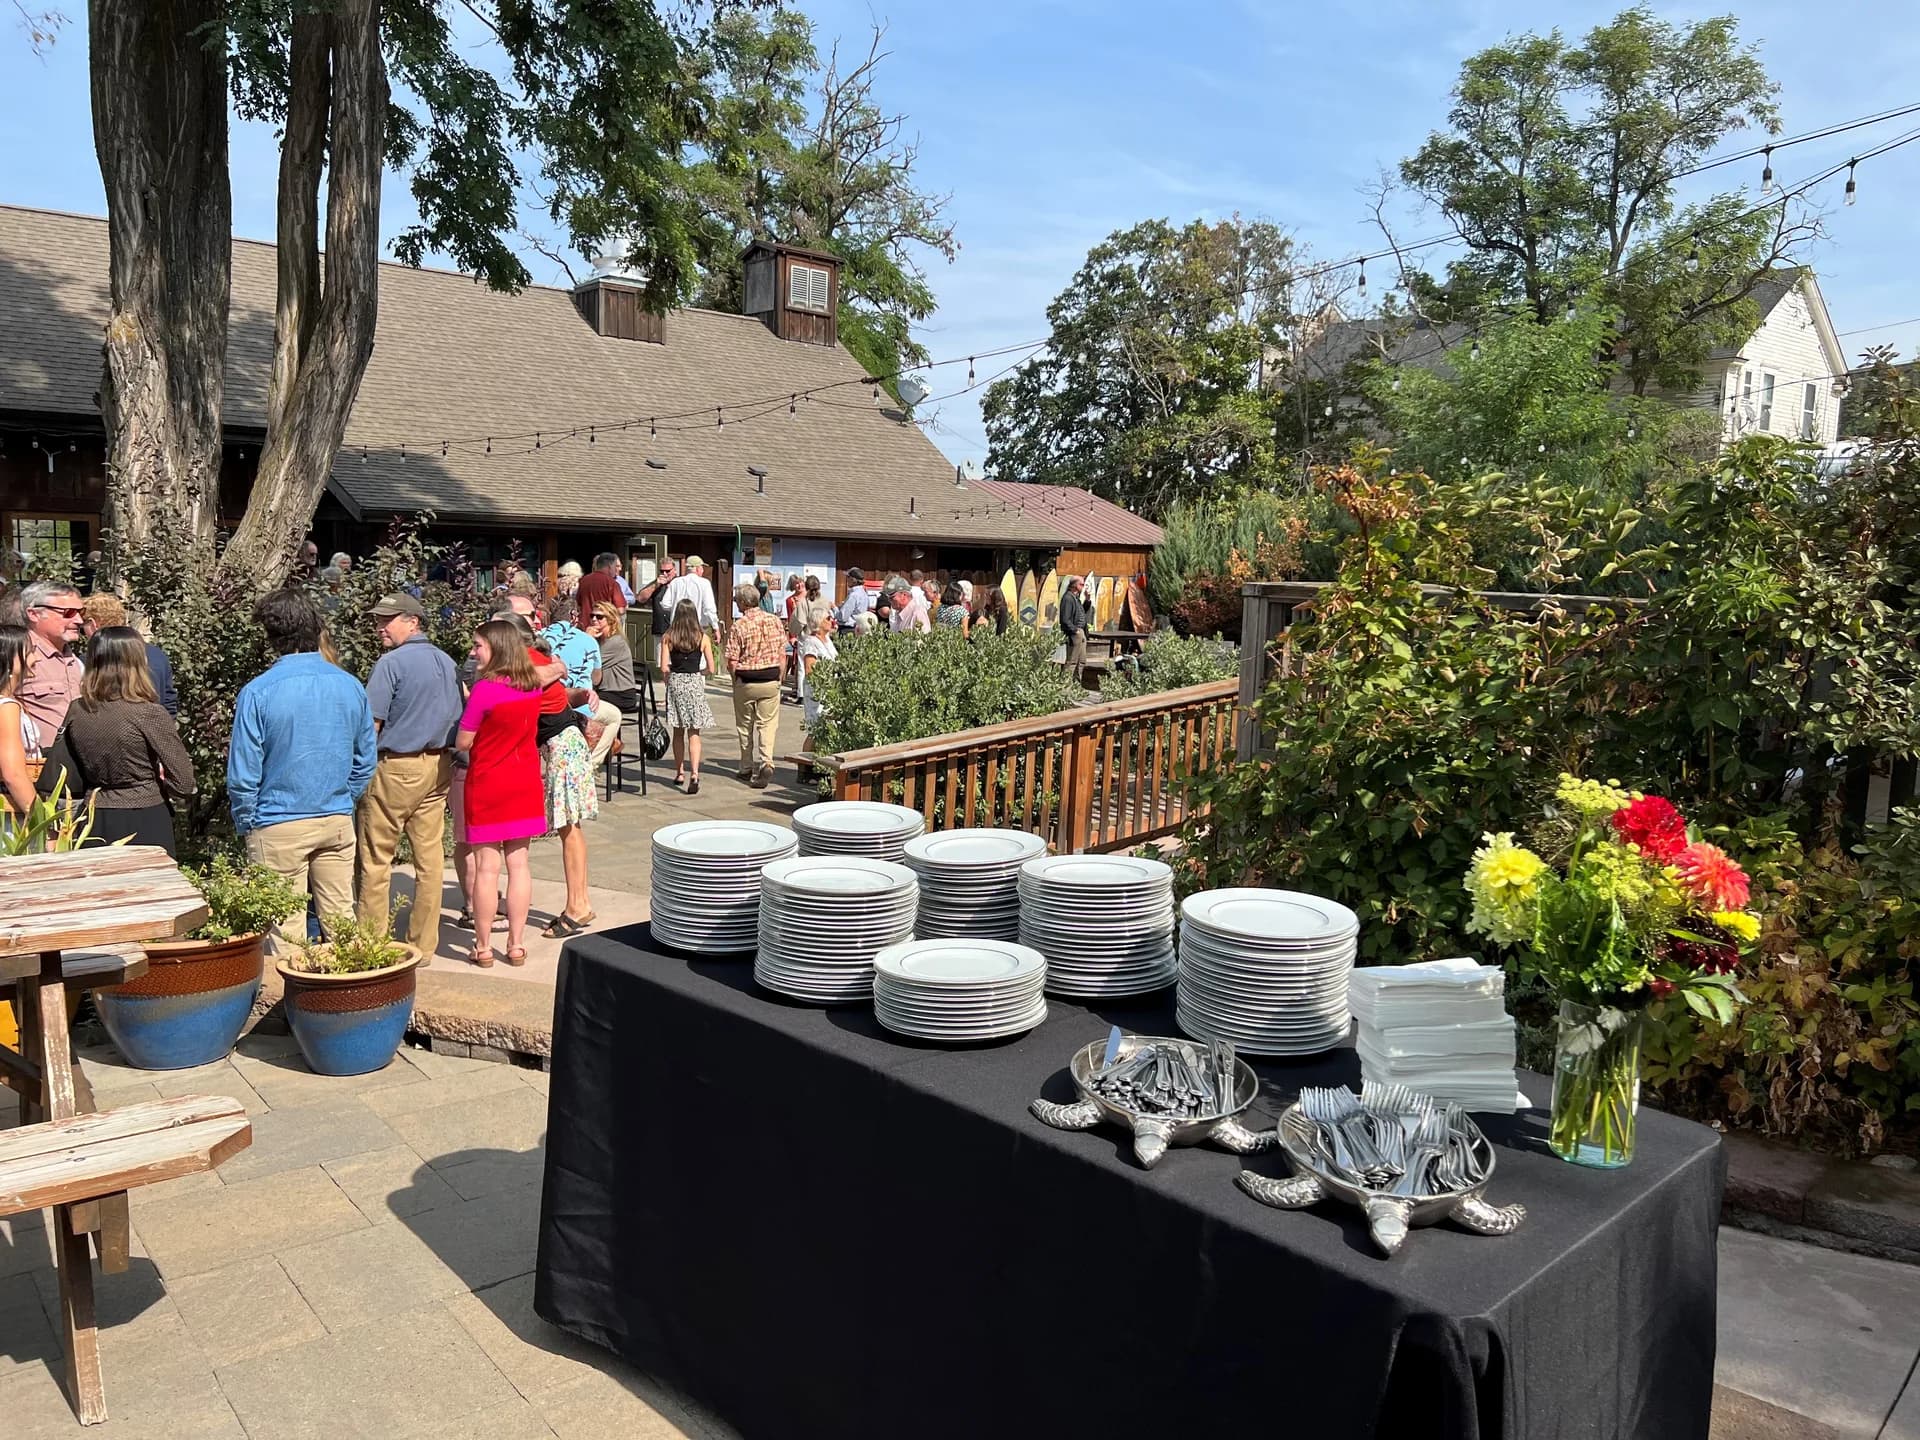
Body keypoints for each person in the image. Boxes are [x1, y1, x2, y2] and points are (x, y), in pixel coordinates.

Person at [228, 588, 376, 951]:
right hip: (335, 818)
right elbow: (366, 758)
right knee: (342, 921)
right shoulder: (350, 685)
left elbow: (243, 772)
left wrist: (248, 820)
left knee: (285, 932)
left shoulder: (259, 692)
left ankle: (293, 1005)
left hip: (278, 821)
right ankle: (348, 1000)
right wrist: (343, 797)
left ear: (270, 635)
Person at [356, 593, 463, 959]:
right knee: (430, 860)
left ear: (413, 622)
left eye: (388, 619)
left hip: (396, 767)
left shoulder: (390, 664)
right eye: (378, 619)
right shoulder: (447, 662)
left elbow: (370, 726)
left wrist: (357, 774)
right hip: (438, 767)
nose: (380, 626)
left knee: (375, 859)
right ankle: (423, 946)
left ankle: (371, 943)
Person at [52, 627, 194, 852]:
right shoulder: (149, 713)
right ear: (136, 662)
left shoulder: (77, 709)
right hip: (145, 816)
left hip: (93, 817)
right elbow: (184, 783)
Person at [456, 619, 545, 966]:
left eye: (479, 645)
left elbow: (464, 740)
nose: (474, 651)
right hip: (523, 779)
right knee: (519, 865)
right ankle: (517, 944)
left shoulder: (485, 690)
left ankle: (482, 946)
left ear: (497, 648)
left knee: (486, 868)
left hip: (488, 782)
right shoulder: (531, 686)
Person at [543, 596, 622, 770]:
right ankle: (590, 765)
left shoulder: (540, 637)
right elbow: (596, 679)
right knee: (614, 716)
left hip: (546, 705)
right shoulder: (587, 640)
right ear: (574, 616)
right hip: (578, 707)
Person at [727, 582, 785, 789]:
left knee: (745, 726)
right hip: (770, 678)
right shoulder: (774, 621)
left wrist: (736, 681)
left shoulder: (738, 625)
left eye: (736, 600)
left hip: (747, 679)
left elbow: (732, 660)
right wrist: (780, 677)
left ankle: (745, 767)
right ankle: (767, 761)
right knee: (768, 724)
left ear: (743, 603)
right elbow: (781, 653)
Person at [80, 592, 177, 717]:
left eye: (83, 629)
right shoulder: (157, 654)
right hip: (154, 729)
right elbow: (169, 702)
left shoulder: (89, 660)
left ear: (93, 624)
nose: (83, 635)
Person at [18, 579, 84, 749]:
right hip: (37, 768)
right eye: (68, 612)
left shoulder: (76, 661)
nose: (79, 620)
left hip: (79, 764)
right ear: (34, 614)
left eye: (80, 612)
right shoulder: (16, 656)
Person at [658, 599, 714, 793]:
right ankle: (695, 773)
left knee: (678, 731)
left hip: (676, 683)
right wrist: (700, 674)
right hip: (694, 683)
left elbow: (664, 666)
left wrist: (669, 677)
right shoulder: (702, 637)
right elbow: (711, 668)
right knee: (694, 733)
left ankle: (680, 772)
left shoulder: (669, 637)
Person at [0, 625, 44, 828]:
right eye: (30, 651)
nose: (36, 658)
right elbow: (14, 774)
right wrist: (43, 824)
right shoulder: (6, 707)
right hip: (14, 816)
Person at [660, 555, 721, 656]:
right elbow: (709, 609)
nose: (702, 571)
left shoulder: (675, 582)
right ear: (697, 568)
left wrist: (676, 607)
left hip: (677, 629)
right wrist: (716, 628)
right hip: (697, 629)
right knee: (697, 661)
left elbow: (665, 604)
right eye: (702, 568)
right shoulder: (704, 583)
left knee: (677, 659)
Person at [587, 603, 638, 716]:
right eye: (592, 616)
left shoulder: (616, 642)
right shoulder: (599, 640)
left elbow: (589, 663)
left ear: (610, 620)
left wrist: (587, 639)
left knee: (584, 703)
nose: (594, 619)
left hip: (620, 693)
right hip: (604, 691)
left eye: (600, 617)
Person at [798, 607, 838, 746]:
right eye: (827, 618)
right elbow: (810, 668)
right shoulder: (811, 641)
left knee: (829, 726)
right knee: (815, 729)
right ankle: (803, 765)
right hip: (817, 690)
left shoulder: (827, 639)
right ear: (818, 621)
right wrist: (822, 681)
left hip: (831, 689)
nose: (830, 621)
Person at [575, 551, 627, 617]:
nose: (617, 570)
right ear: (610, 567)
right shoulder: (612, 583)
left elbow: (578, 605)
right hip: (603, 624)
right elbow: (620, 610)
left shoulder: (583, 580)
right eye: (615, 567)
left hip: (584, 624)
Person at [1060, 574, 1091, 675]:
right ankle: (1065, 686)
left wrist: (1087, 600)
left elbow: (1081, 612)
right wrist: (1075, 631)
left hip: (1081, 631)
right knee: (1072, 661)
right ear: (1074, 585)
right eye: (1081, 584)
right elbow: (1065, 619)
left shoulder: (1075, 598)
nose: (1083, 586)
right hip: (1075, 633)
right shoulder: (1068, 598)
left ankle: (1076, 686)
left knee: (1081, 661)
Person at [836, 567, 873, 632]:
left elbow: (843, 617)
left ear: (853, 580)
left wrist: (834, 608)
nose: (847, 579)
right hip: (859, 628)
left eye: (848, 577)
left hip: (848, 629)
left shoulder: (853, 595)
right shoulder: (864, 593)